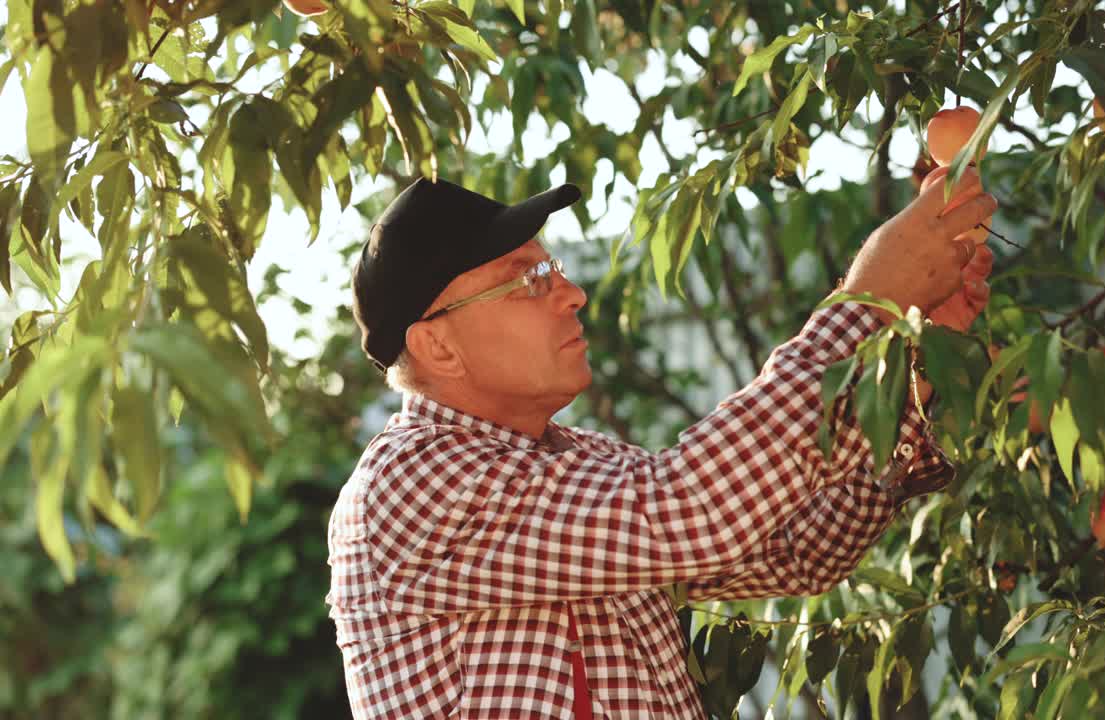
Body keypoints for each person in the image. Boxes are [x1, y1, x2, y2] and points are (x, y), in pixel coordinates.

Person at [327, 173, 996, 719]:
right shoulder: (409, 481)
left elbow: (797, 553)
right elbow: (691, 510)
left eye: (552, 269)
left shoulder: (586, 464)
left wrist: (901, 376)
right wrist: (868, 303)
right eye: (528, 278)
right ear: (436, 344)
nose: (573, 293)